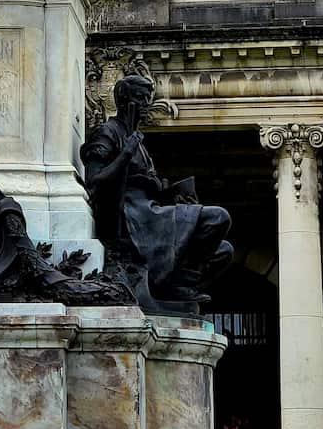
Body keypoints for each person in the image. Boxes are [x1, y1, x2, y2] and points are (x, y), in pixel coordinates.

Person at [81, 72, 232, 310]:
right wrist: (126, 153)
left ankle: (174, 284)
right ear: (124, 100)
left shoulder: (137, 139)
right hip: (133, 216)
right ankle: (174, 283)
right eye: (140, 98)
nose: (145, 104)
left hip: (151, 212)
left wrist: (172, 194)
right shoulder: (108, 132)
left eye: (147, 99)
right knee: (218, 217)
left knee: (224, 251)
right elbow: (94, 182)